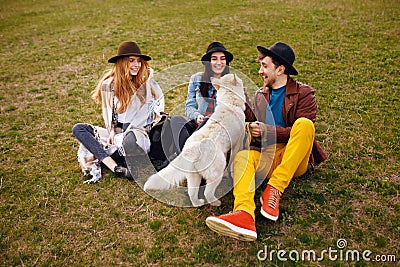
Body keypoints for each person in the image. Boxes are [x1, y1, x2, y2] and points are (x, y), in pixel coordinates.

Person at [205, 42, 327, 241]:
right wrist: (240, 100)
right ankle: (244, 214)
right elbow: (254, 120)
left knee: (305, 125)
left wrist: (267, 131)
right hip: (267, 157)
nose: (260, 71)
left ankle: (274, 189)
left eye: (265, 66)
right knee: (243, 157)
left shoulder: (305, 93)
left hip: (293, 159)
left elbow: (302, 134)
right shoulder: (260, 94)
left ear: (280, 69)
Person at [72, 41, 164, 183]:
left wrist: (147, 83)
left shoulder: (145, 83)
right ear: (121, 63)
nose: (136, 65)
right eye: (131, 61)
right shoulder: (108, 85)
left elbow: (157, 109)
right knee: (79, 128)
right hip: (117, 137)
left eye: (139, 61)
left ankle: (127, 160)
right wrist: (111, 131)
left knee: (130, 139)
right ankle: (116, 167)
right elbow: (108, 114)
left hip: (139, 136)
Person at [168, 42, 253, 154]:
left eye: (222, 59)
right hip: (197, 126)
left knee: (209, 120)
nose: (219, 62)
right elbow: (189, 106)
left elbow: (245, 113)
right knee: (176, 120)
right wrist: (197, 116)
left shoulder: (232, 83)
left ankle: (184, 158)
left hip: (216, 132)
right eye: (214, 59)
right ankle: (185, 155)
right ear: (209, 62)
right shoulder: (196, 79)